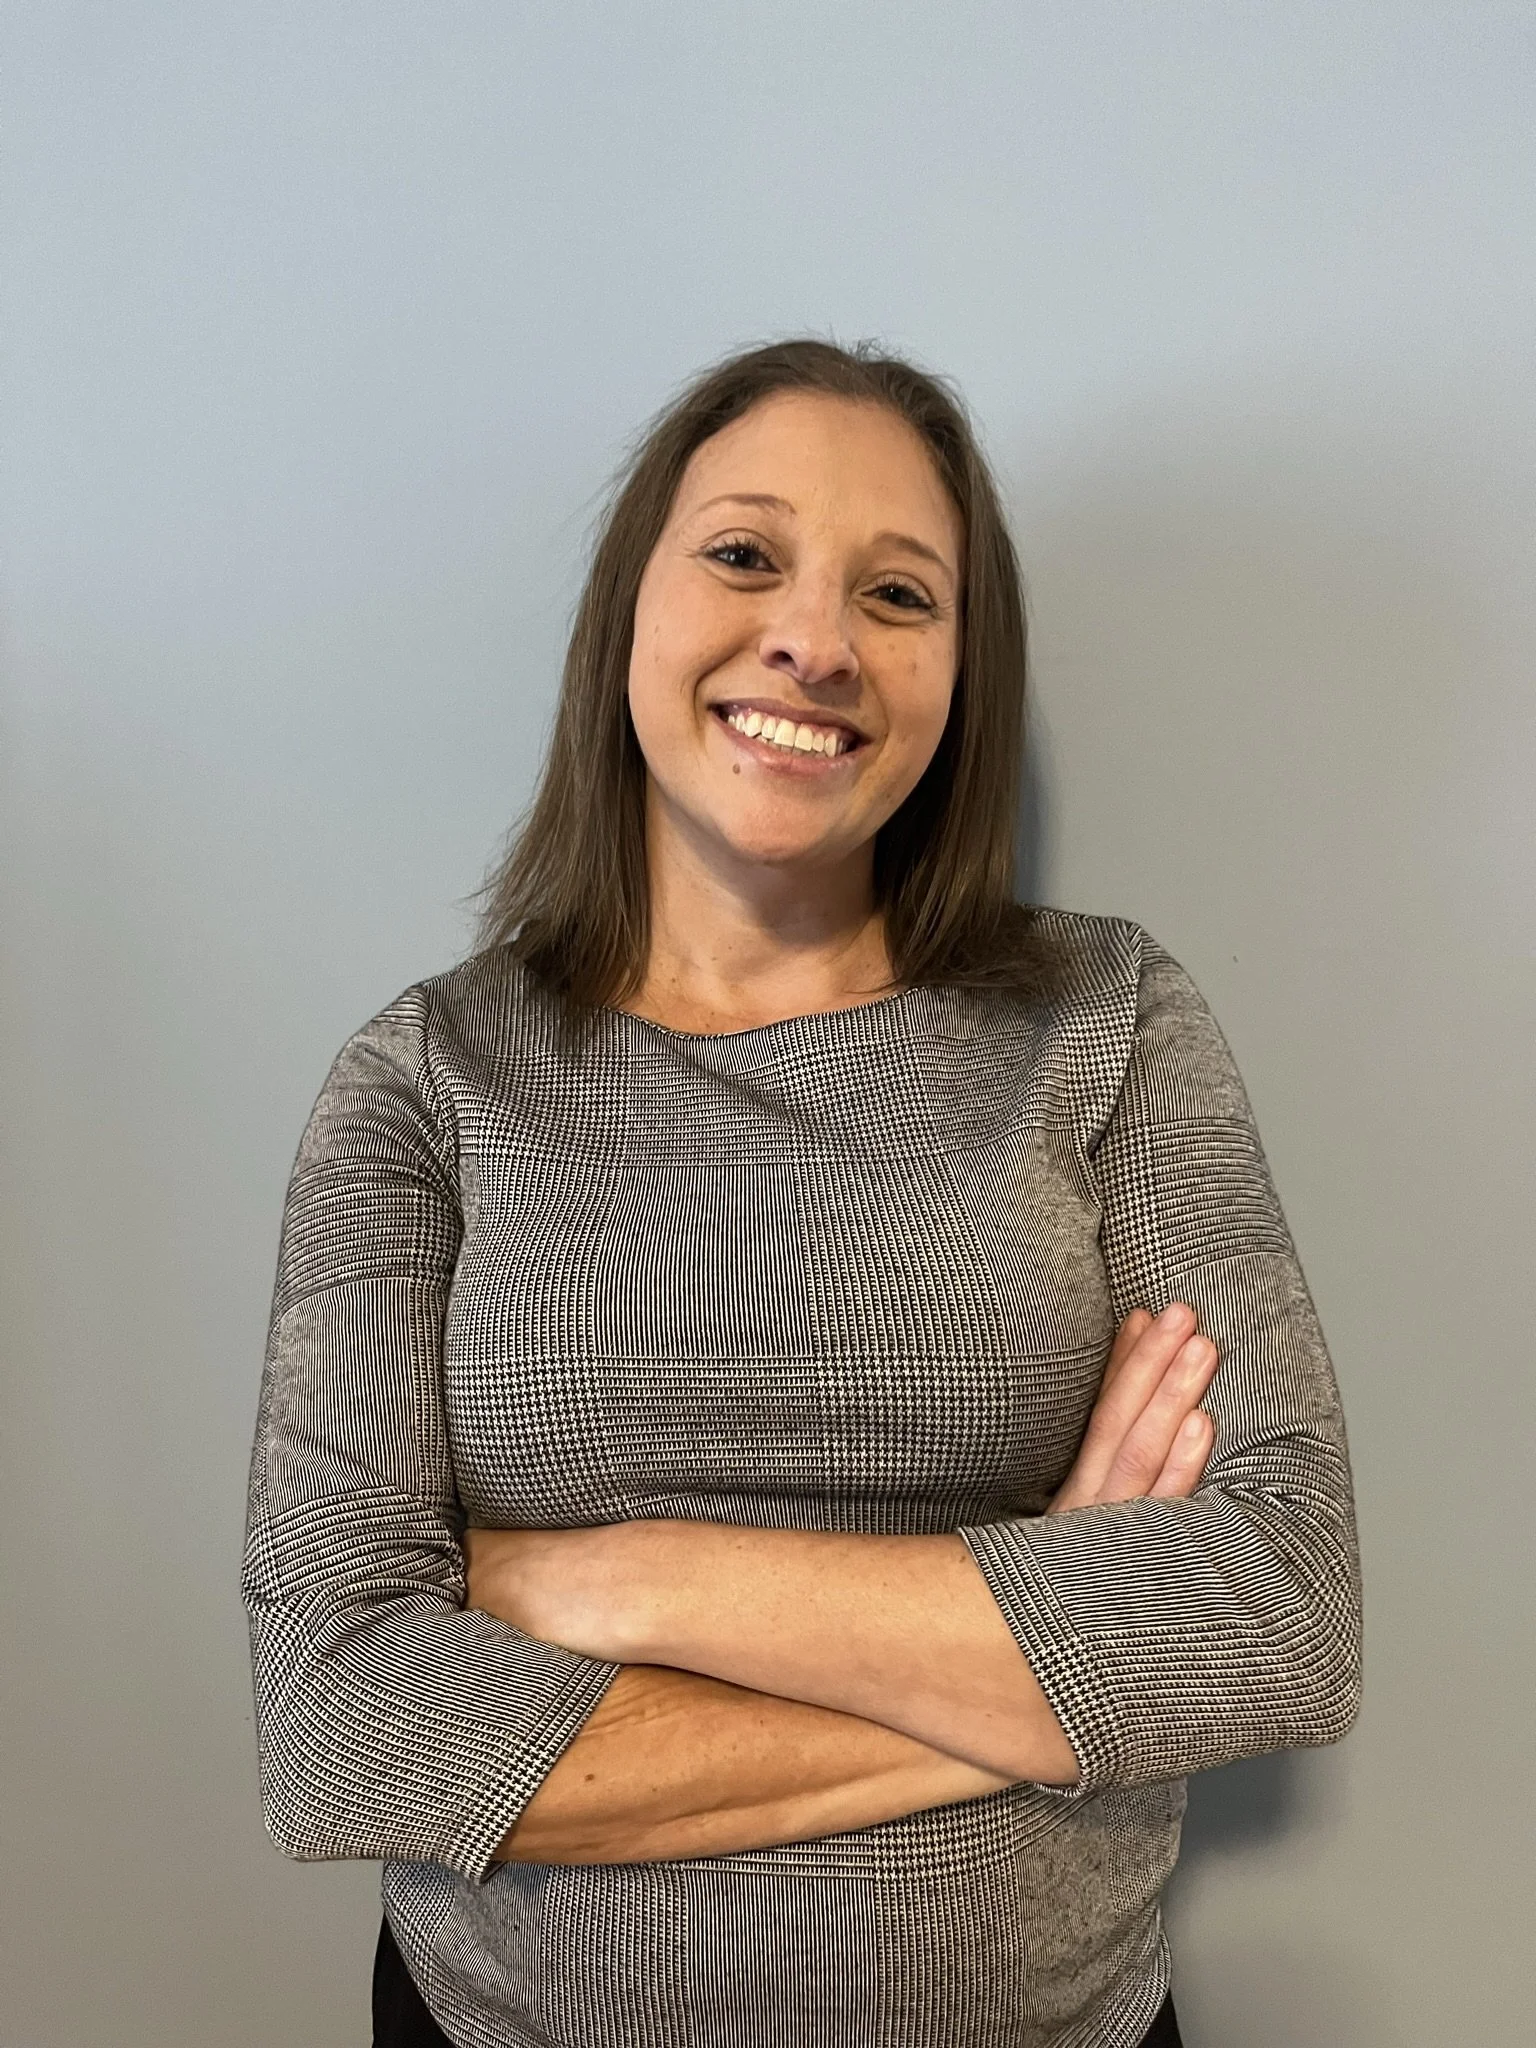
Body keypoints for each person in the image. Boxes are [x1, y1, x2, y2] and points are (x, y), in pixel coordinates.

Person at [241, 338, 1362, 2048]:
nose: (816, 642)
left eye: (898, 595)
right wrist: (1053, 1632)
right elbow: (344, 1728)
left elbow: (1280, 1612)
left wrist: (617, 1582)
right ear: (633, 606)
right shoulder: (422, 1081)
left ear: (960, 674)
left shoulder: (1111, 1023)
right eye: (746, 555)